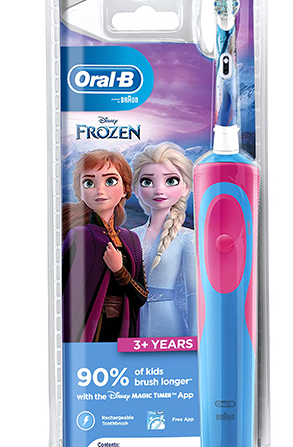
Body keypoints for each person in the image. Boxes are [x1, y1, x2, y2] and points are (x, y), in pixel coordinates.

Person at [62, 150, 148, 343]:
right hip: (88, 332)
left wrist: (119, 271)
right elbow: (62, 290)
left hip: (124, 328)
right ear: (80, 192)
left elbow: (141, 297)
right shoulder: (79, 235)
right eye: (89, 183)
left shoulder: (131, 239)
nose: (99, 190)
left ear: (125, 189)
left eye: (110, 181)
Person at [130, 142, 197, 337]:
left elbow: (194, 294)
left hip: (169, 326)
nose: (159, 190)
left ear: (185, 188)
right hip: (132, 323)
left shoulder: (188, 239)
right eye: (147, 182)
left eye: (171, 181)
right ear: (136, 190)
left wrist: (195, 340)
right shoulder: (130, 236)